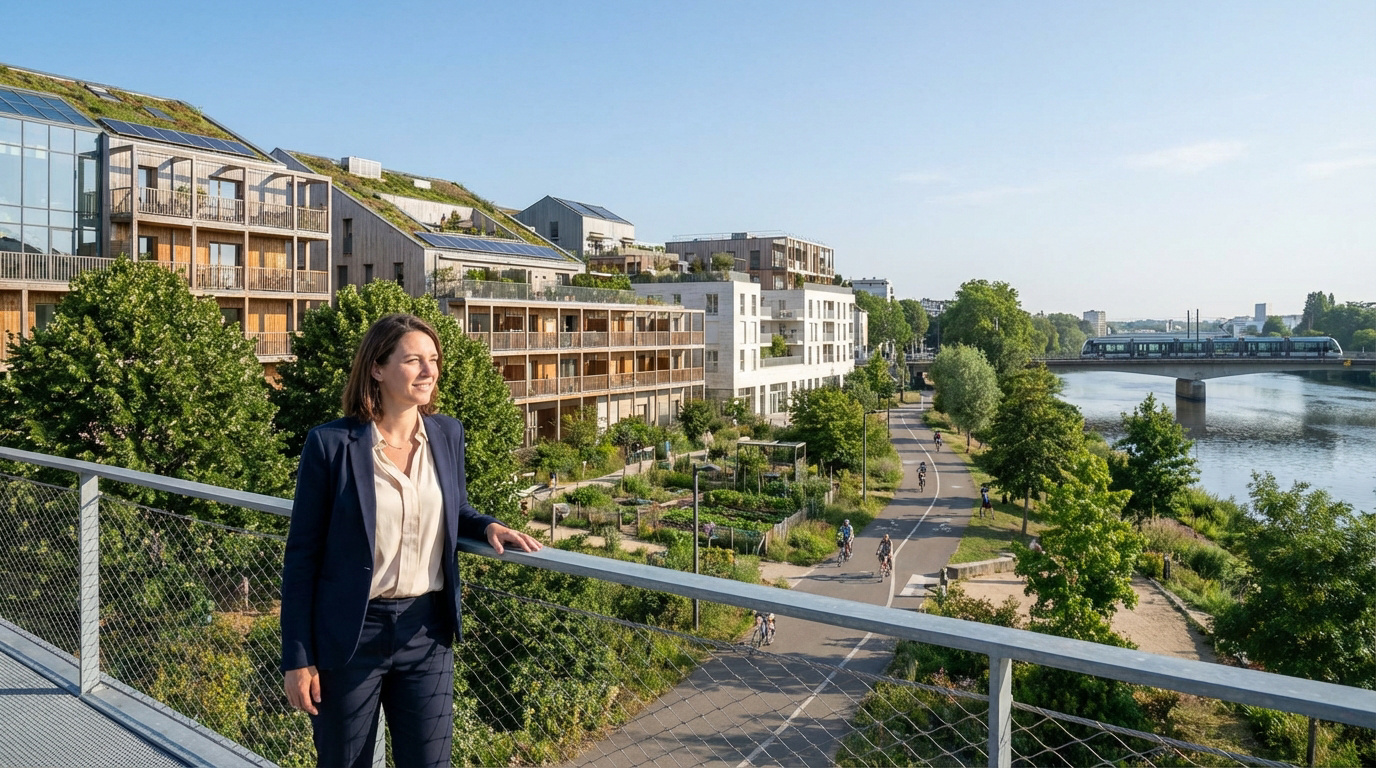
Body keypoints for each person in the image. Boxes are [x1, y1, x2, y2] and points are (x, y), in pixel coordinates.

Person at [280, 313, 543, 768]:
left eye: (433, 360)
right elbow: (302, 557)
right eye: (414, 360)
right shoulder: (330, 445)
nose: (429, 371)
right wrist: (297, 659)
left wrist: (485, 527)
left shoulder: (447, 433)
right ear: (377, 369)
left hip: (427, 632)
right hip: (350, 635)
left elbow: (455, 508)